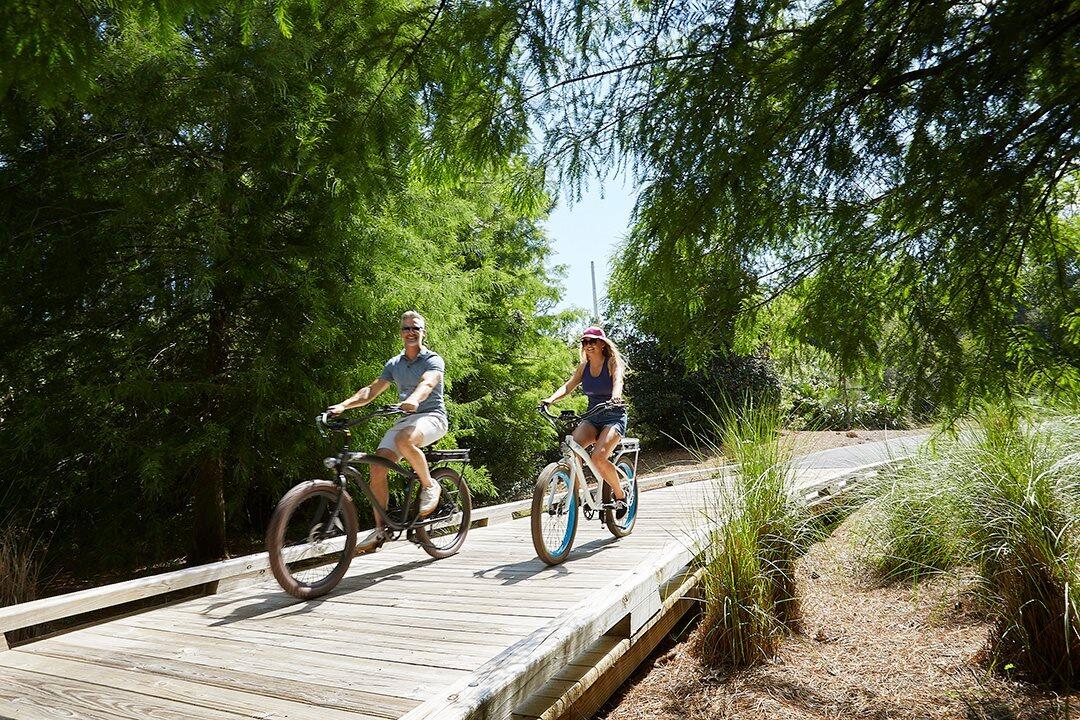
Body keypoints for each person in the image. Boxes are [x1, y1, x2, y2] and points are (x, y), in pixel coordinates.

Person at [327, 311, 447, 549]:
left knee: (404, 439)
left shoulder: (433, 359)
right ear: (401, 333)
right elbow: (370, 391)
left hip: (433, 417)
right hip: (406, 420)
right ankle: (381, 529)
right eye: (406, 329)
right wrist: (343, 405)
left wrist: (413, 399)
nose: (410, 332)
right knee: (377, 465)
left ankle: (430, 485)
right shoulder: (394, 363)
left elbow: (428, 383)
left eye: (415, 328)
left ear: (424, 332)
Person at [541, 326, 629, 515]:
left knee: (598, 458)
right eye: (584, 342)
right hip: (593, 416)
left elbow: (618, 382)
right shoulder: (584, 367)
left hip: (613, 416)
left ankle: (621, 496)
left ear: (602, 344)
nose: (588, 345)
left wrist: (615, 396)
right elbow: (569, 385)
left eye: (592, 341)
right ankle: (577, 495)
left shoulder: (612, 363)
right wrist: (550, 399)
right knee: (573, 449)